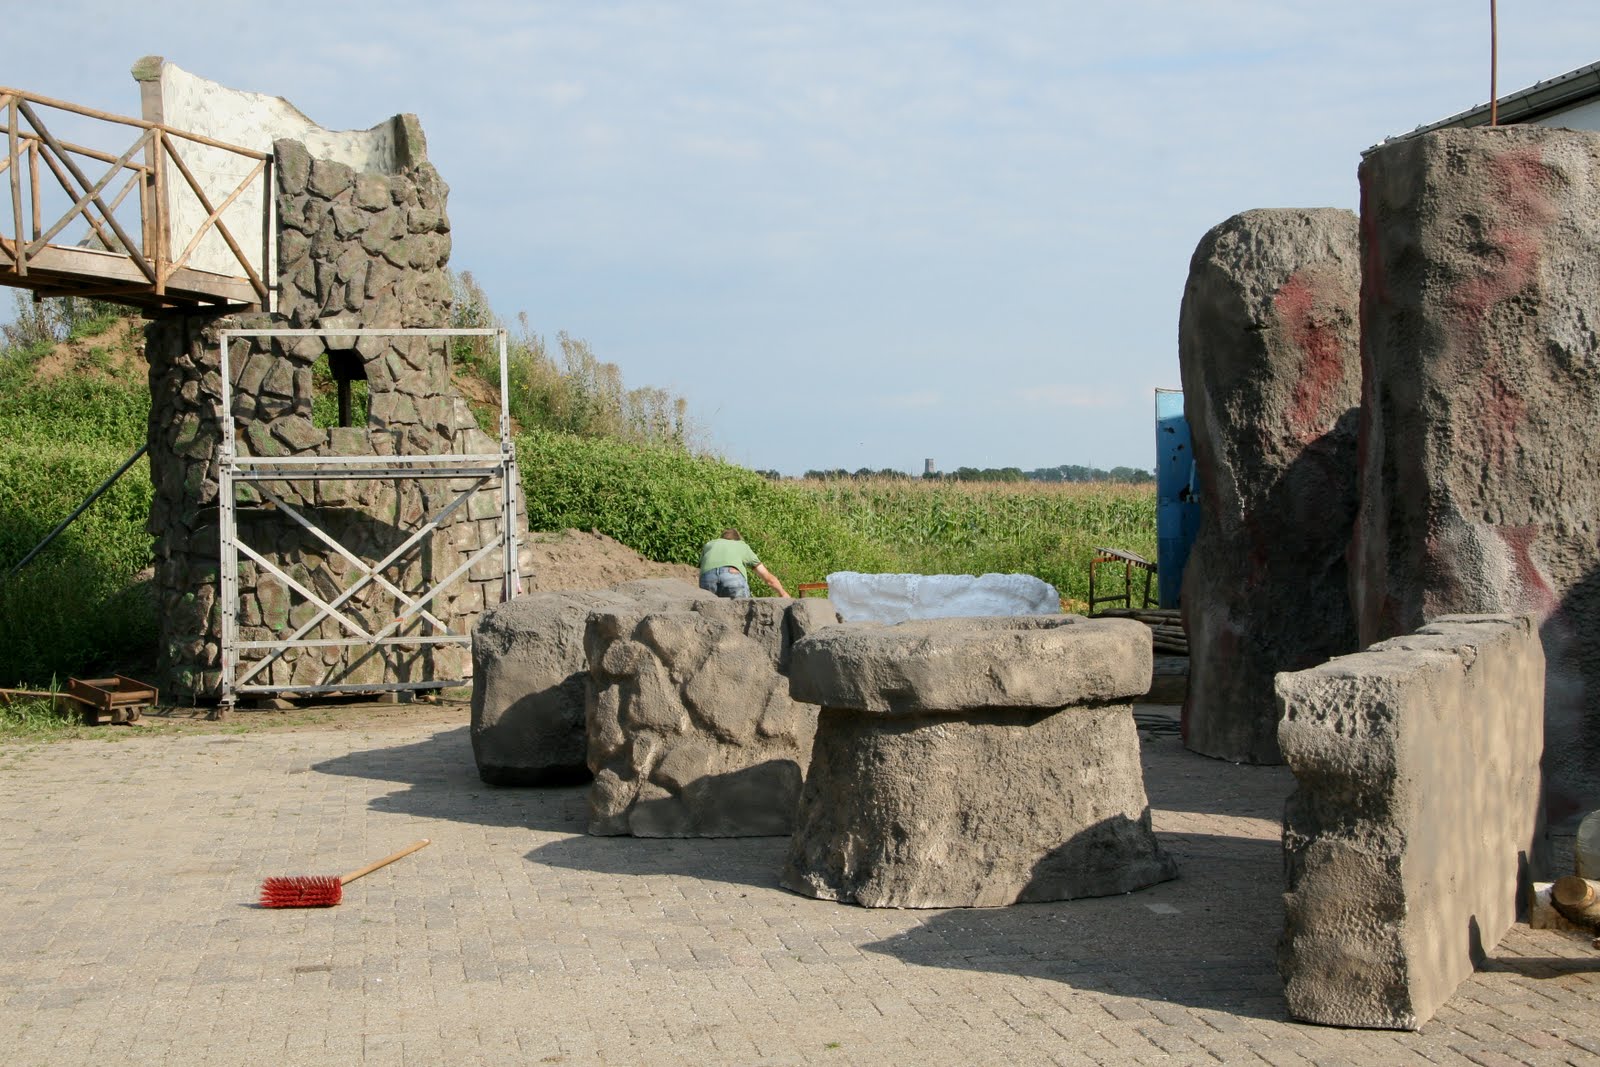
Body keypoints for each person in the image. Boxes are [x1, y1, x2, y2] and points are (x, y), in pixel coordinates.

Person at [698, 527, 788, 598]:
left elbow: (700, 567)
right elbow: (767, 577)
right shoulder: (741, 545)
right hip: (732, 576)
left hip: (707, 577)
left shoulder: (710, 544)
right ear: (737, 539)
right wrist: (783, 593)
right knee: (742, 608)